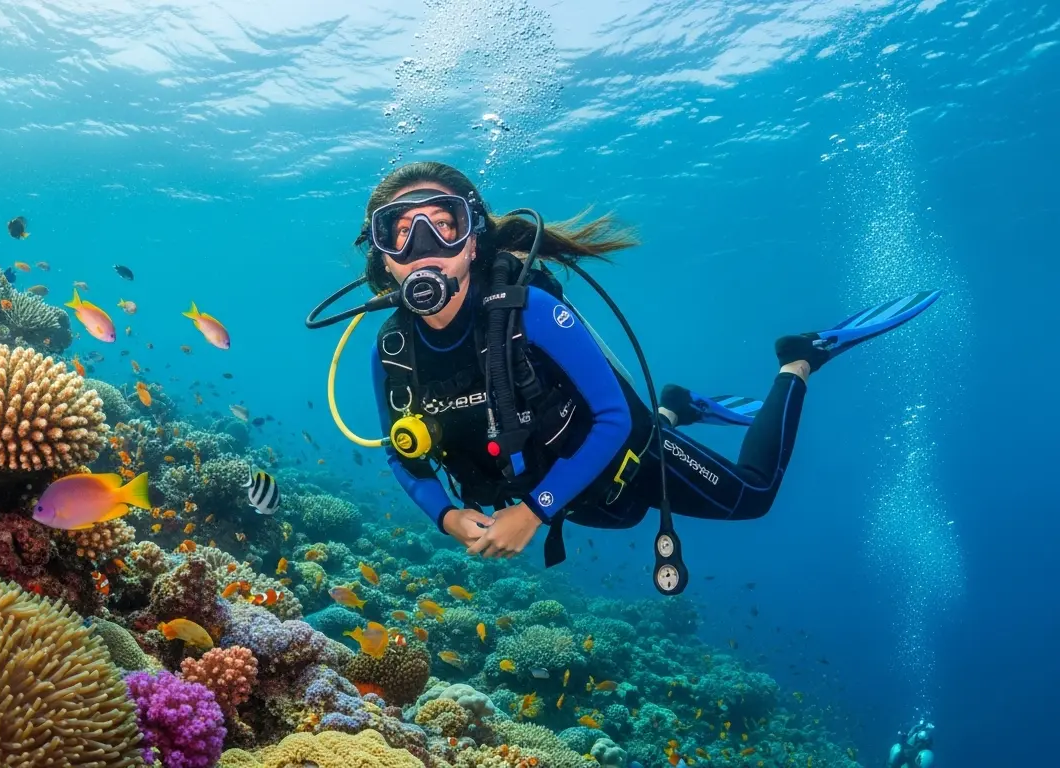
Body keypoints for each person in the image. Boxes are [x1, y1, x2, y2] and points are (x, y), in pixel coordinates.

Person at [349, 161, 940, 568]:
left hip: (622, 459)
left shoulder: (531, 311)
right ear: (383, 257)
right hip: (574, 493)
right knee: (622, 515)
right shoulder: (392, 352)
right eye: (400, 234)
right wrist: (448, 517)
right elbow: (406, 462)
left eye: (442, 226)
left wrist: (532, 512)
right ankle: (681, 407)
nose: (423, 248)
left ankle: (800, 360)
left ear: (473, 240)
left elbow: (611, 417)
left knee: (753, 497)